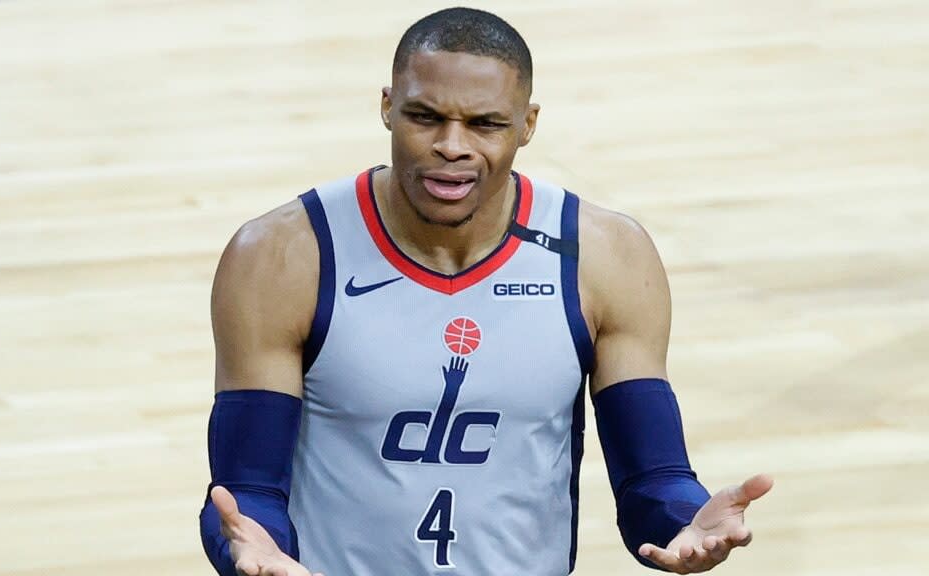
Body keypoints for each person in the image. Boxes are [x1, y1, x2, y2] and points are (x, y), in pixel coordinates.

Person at [199, 7, 773, 576]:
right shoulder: (281, 257)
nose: (452, 146)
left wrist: (684, 523)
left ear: (528, 124)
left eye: (485, 124)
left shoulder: (604, 256)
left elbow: (651, 479)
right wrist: (251, 552)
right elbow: (246, 490)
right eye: (424, 117)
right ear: (386, 108)